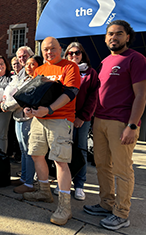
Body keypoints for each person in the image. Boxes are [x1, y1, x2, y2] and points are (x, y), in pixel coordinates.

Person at [83, 20, 146, 231]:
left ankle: (121, 213)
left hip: (121, 123)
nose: (114, 37)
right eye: (110, 34)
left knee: (122, 170)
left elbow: (141, 95)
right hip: (100, 121)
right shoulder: (104, 62)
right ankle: (106, 203)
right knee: (103, 166)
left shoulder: (136, 60)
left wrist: (132, 125)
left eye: (119, 34)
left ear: (127, 36)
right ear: (105, 38)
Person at [22, 37, 80, 226]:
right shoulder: (39, 70)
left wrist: (50, 109)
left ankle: (65, 207)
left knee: (60, 161)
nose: (49, 52)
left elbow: (70, 93)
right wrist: (29, 108)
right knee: (36, 155)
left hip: (60, 120)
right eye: (45, 49)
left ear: (60, 48)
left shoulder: (70, 67)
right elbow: (34, 94)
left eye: (52, 48)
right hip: (39, 119)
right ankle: (44, 192)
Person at [53, 42, 99, 200]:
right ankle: (63, 183)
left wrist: (82, 117)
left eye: (77, 52)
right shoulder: (63, 71)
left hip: (81, 119)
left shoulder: (90, 73)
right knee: (64, 151)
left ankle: (79, 185)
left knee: (81, 150)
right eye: (70, 53)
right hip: (64, 117)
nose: (73, 55)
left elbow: (93, 98)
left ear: (82, 54)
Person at [2, 55, 44, 194]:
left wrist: (6, 106)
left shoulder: (37, 80)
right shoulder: (24, 78)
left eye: (33, 64)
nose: (29, 67)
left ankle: (29, 183)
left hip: (28, 119)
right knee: (23, 150)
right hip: (18, 117)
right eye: (27, 64)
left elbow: (21, 99)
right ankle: (24, 178)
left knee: (29, 151)